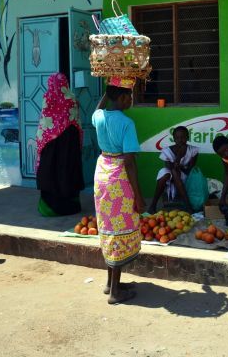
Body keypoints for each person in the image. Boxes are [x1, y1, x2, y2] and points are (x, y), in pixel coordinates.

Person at [92, 76, 145, 304]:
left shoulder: (98, 116)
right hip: (119, 178)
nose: (131, 100)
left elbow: (99, 107)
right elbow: (130, 161)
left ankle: (110, 283)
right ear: (122, 97)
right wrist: (139, 195)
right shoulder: (126, 123)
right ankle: (115, 292)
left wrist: (111, 85)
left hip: (102, 172)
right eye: (130, 95)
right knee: (120, 229)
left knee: (109, 227)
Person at [35, 73, 85, 217]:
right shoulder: (72, 99)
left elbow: (45, 120)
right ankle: (71, 206)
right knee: (68, 171)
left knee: (51, 172)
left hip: (51, 144)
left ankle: (50, 208)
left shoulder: (48, 97)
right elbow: (76, 120)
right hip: (70, 144)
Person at [147, 126, 198, 214]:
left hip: (185, 176)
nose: (180, 140)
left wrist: (178, 166)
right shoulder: (166, 151)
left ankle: (188, 205)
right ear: (174, 139)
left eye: (183, 137)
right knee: (167, 172)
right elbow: (169, 167)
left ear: (188, 138)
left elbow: (190, 169)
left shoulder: (193, 150)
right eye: (177, 138)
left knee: (175, 171)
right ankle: (153, 205)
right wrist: (179, 157)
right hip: (169, 176)